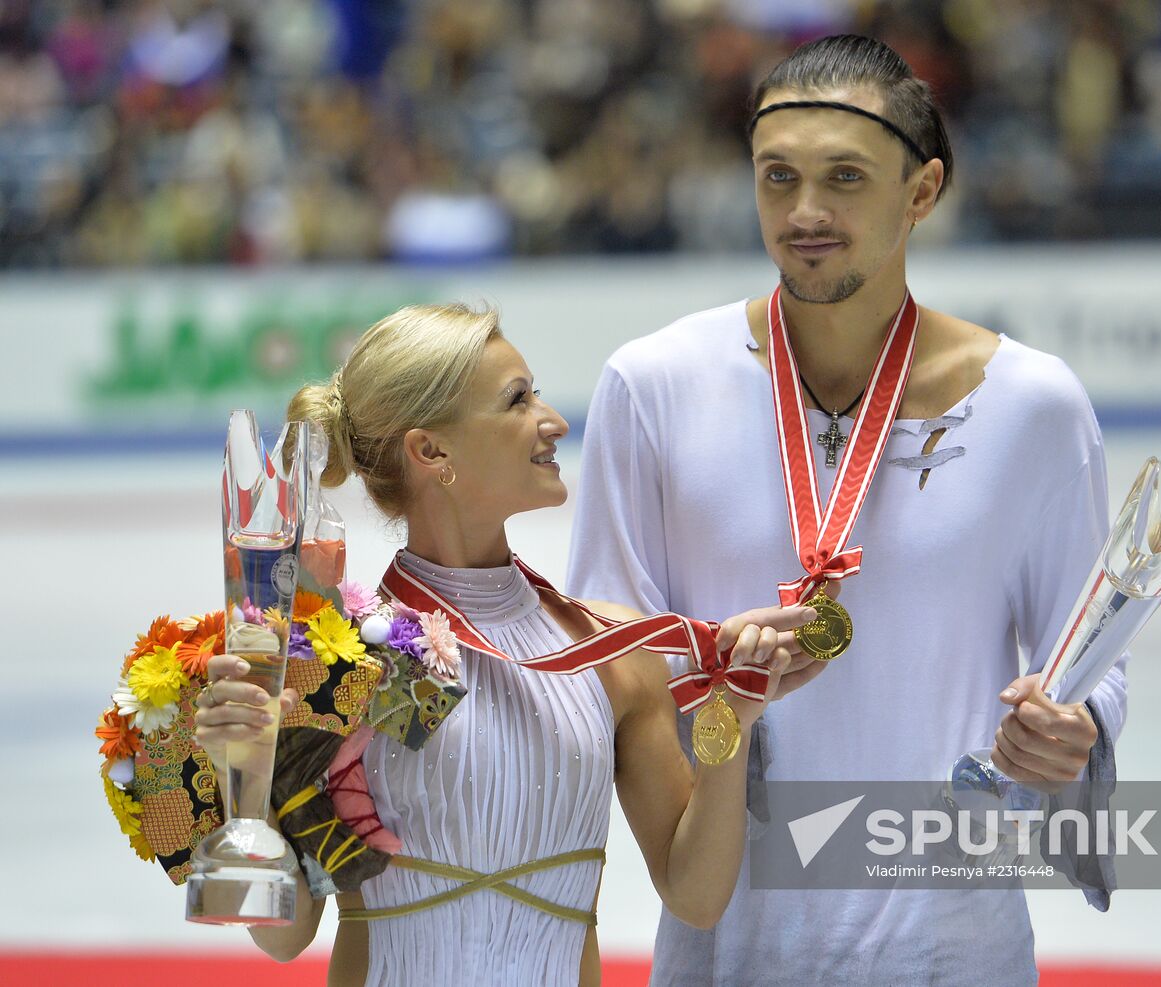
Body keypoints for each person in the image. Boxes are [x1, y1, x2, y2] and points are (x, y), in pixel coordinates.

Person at [566, 34, 1128, 986]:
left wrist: (1074, 733)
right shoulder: (654, 385)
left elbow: (1090, 667)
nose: (805, 212)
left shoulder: (1033, 406)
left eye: (845, 178)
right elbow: (611, 678)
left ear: (922, 192)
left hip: (955, 950)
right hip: (728, 951)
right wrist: (714, 694)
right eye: (776, 177)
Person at [192, 302, 826, 986]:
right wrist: (243, 772)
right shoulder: (338, 661)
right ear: (431, 451)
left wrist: (728, 717)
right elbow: (285, 937)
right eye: (518, 400)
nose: (554, 420)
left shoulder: (612, 649)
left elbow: (696, 896)